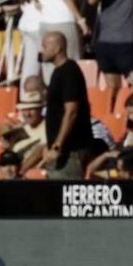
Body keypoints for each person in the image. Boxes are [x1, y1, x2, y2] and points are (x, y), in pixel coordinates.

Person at [42, 32, 93, 179]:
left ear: (57, 48)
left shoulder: (69, 71)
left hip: (71, 150)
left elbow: (71, 111)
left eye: (45, 46)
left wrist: (57, 145)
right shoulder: (58, 72)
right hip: (61, 151)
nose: (42, 50)